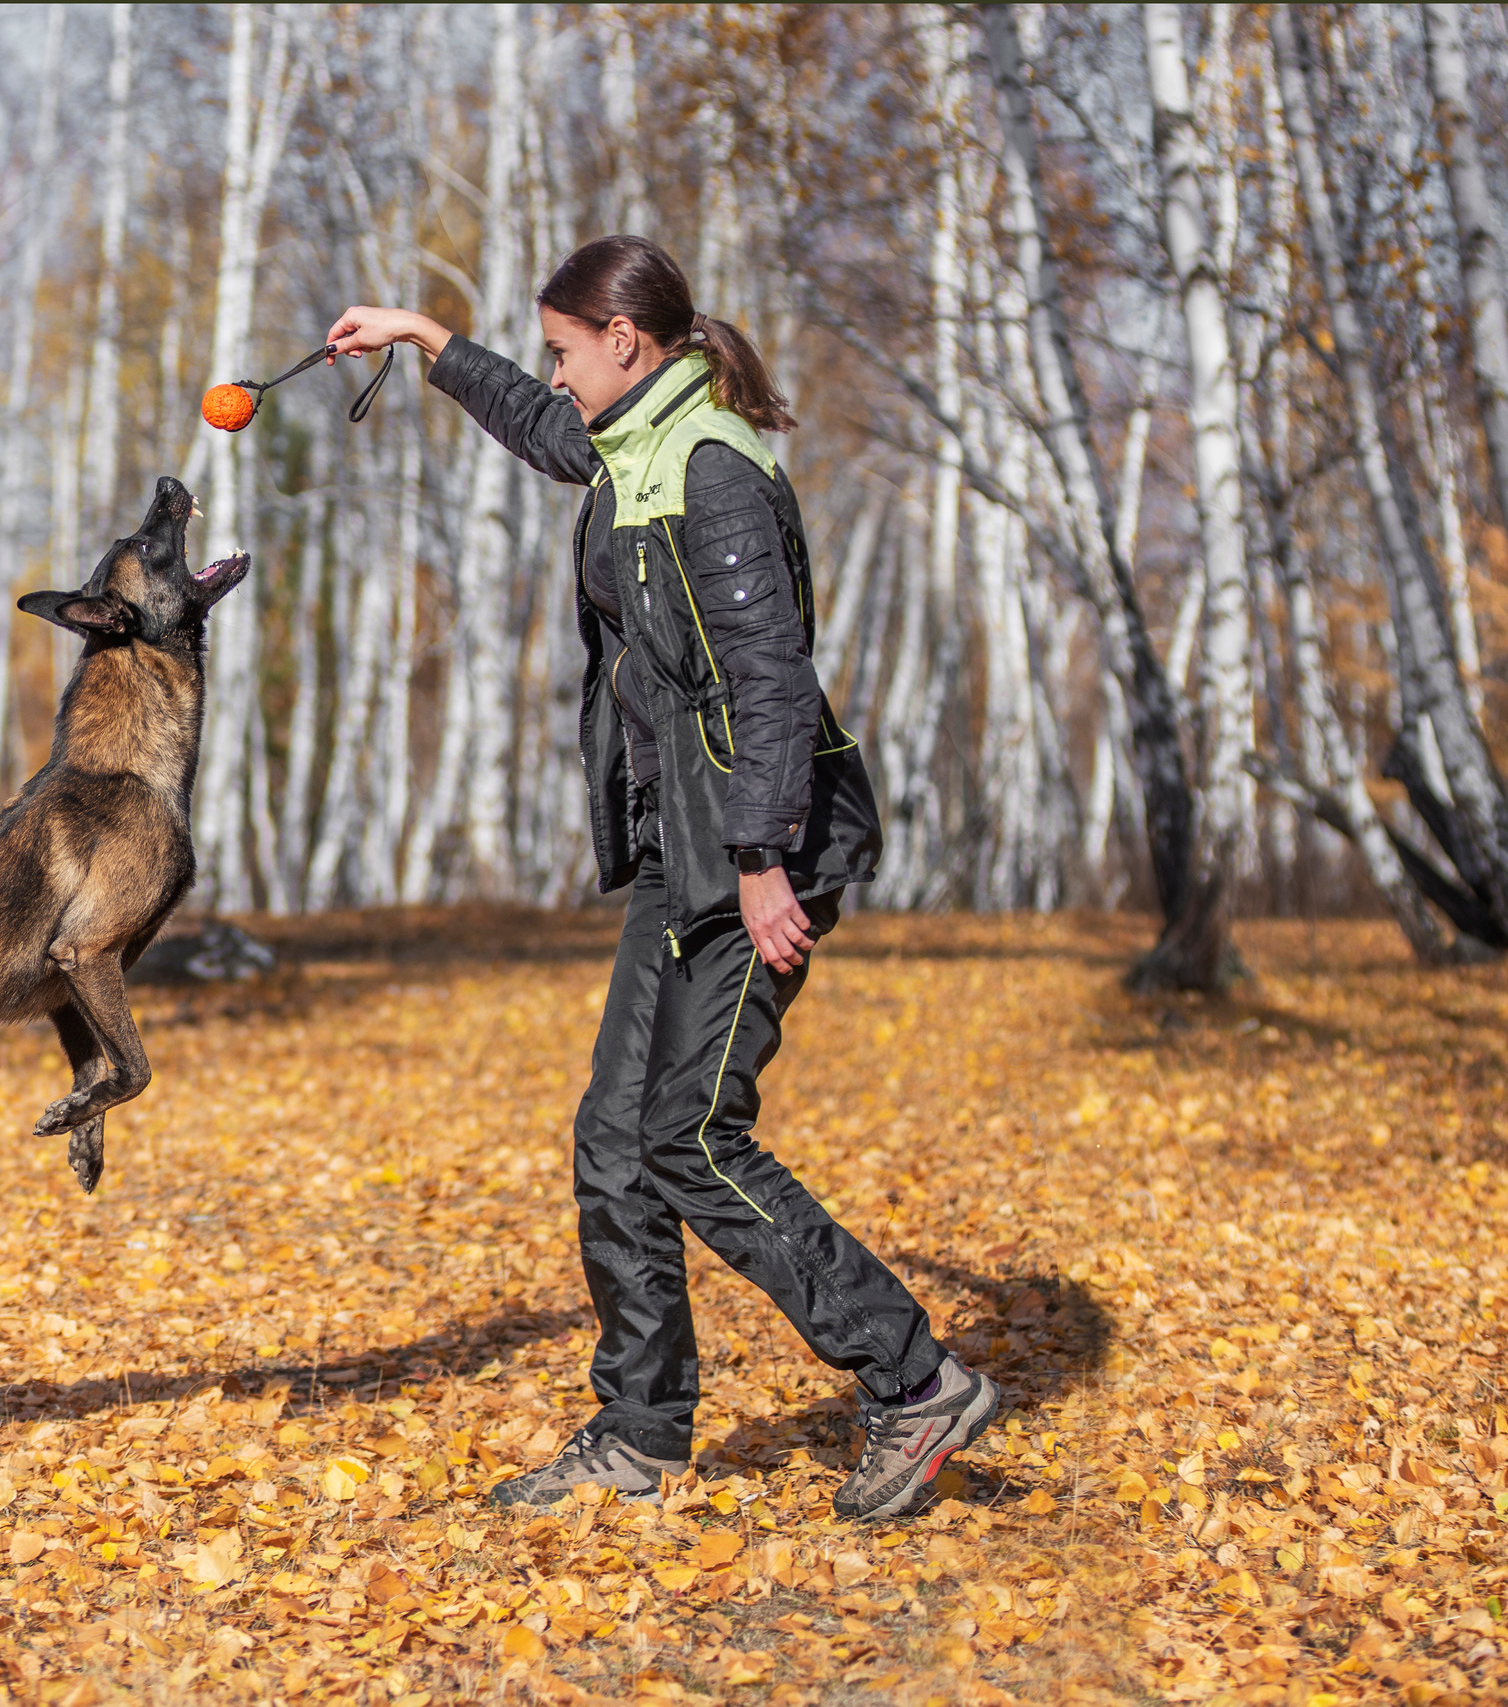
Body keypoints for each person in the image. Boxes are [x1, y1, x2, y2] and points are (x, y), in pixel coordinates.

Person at [324, 236, 996, 1522]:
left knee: (689, 1135)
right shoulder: (634, 444)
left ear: (624, 343)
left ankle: (913, 1385)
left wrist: (759, 864)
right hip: (683, 848)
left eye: (565, 351)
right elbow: (548, 431)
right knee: (612, 1145)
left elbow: (772, 682)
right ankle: (639, 1432)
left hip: (758, 854)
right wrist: (425, 339)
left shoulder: (710, 474)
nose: (556, 376)